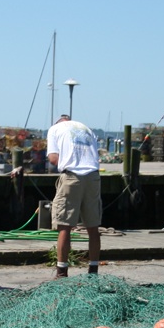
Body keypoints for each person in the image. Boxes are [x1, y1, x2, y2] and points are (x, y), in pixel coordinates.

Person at [46, 115, 102, 277]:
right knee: (93, 227)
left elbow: (54, 159)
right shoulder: (86, 129)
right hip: (93, 176)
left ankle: (62, 272)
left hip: (72, 176)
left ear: (58, 122)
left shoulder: (54, 129)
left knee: (64, 225)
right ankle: (93, 271)